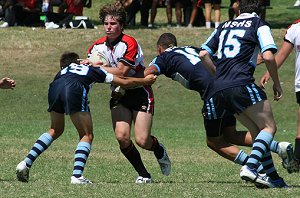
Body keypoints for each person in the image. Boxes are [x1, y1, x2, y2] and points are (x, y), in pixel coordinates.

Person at [145, 33, 294, 188]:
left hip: (213, 93)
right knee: (231, 135)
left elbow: (149, 71)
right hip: (228, 86)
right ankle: (278, 147)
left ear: (159, 49)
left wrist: (127, 79)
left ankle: (254, 167)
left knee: (214, 141)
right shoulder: (191, 49)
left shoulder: (163, 57)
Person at [15, 51, 157, 184]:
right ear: (79, 61)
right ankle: (77, 176)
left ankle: (25, 163)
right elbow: (124, 81)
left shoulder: (61, 72)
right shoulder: (91, 69)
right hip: (74, 88)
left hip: (55, 87)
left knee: (55, 129)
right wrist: (145, 81)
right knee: (86, 135)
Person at [199, 0, 288, 188]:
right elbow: (270, 56)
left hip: (219, 89)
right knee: (269, 128)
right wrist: (277, 83)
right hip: (240, 83)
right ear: (260, 9)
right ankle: (251, 167)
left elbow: (203, 54)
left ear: (238, 8)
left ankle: (274, 179)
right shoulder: (258, 24)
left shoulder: (224, 26)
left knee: (257, 133)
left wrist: (219, 75)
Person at [85, 3, 171, 184]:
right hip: (119, 93)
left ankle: (158, 150)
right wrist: (89, 67)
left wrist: (97, 68)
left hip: (140, 91)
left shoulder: (129, 43)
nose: (109, 27)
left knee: (142, 140)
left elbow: (122, 71)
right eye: (106, 23)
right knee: (122, 137)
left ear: (122, 26)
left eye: (113, 23)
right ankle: (144, 175)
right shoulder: (96, 47)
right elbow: (94, 72)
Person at [260, 19, 300, 173]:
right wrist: (268, 73)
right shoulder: (295, 28)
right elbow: (282, 53)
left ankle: (297, 158)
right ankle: (297, 158)